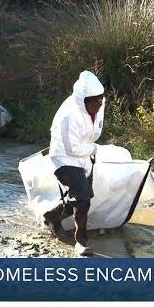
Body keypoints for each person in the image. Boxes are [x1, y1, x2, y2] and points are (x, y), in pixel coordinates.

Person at [43, 71, 105, 257]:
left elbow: (92, 131)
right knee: (83, 198)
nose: (99, 104)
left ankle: (52, 217)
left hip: (83, 157)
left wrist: (91, 149)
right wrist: (93, 149)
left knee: (82, 198)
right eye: (94, 101)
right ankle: (81, 242)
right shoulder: (68, 116)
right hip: (63, 157)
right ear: (82, 101)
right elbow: (72, 149)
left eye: (101, 100)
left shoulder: (99, 105)